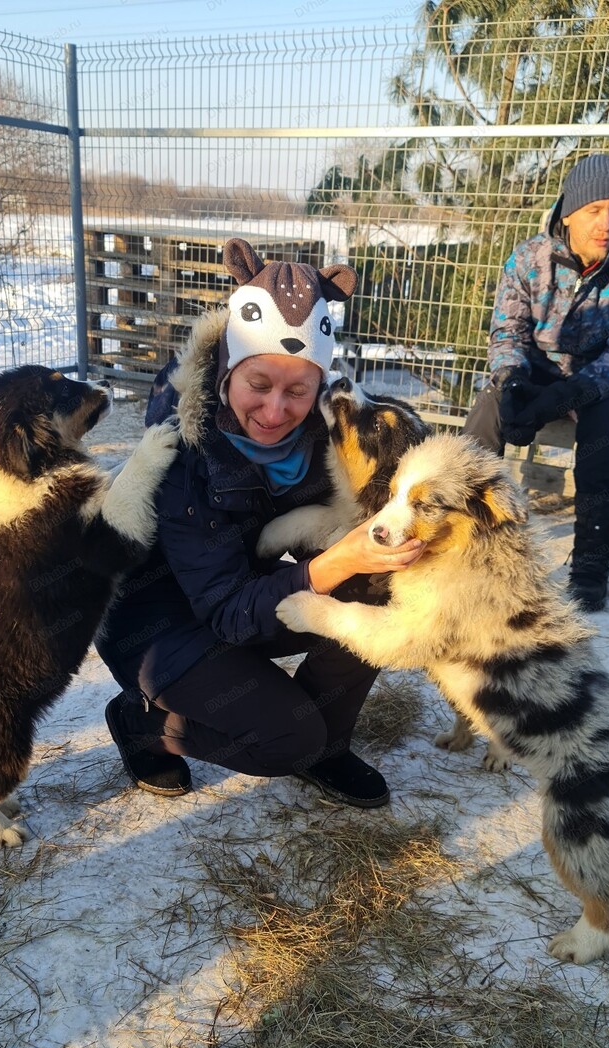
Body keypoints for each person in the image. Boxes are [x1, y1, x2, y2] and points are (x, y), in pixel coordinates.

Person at [96, 238, 425, 807]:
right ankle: (143, 722)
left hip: (242, 592)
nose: (275, 412)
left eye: (297, 390)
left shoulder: (321, 433)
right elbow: (227, 612)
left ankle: (327, 744)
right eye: (259, 385)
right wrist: (334, 562)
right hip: (159, 625)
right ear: (227, 373)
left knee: (376, 584)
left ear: (319, 386)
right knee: (287, 740)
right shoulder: (182, 451)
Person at [465, 152, 609, 611]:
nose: (606, 223)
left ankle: (591, 566)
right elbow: (507, 332)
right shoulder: (529, 258)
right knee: (488, 410)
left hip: (599, 380)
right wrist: (513, 381)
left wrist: (568, 395)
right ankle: (468, 543)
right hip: (533, 370)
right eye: (594, 210)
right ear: (569, 213)